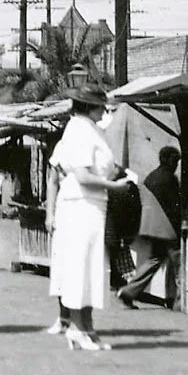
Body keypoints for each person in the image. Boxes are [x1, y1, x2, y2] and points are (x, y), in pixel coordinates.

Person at [47, 85, 136, 351]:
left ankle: (86, 327)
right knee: (80, 267)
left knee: (92, 267)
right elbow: (84, 177)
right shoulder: (78, 129)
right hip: (80, 205)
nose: (105, 110)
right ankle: (76, 327)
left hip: (93, 205)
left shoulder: (90, 129)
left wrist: (116, 176)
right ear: (90, 107)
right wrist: (116, 186)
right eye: (101, 106)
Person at [117, 146, 183, 309]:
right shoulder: (170, 179)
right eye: (175, 161)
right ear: (169, 160)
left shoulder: (151, 177)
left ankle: (129, 291)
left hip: (151, 226)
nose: (176, 165)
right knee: (180, 262)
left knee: (154, 260)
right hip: (167, 227)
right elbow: (174, 207)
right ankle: (180, 302)